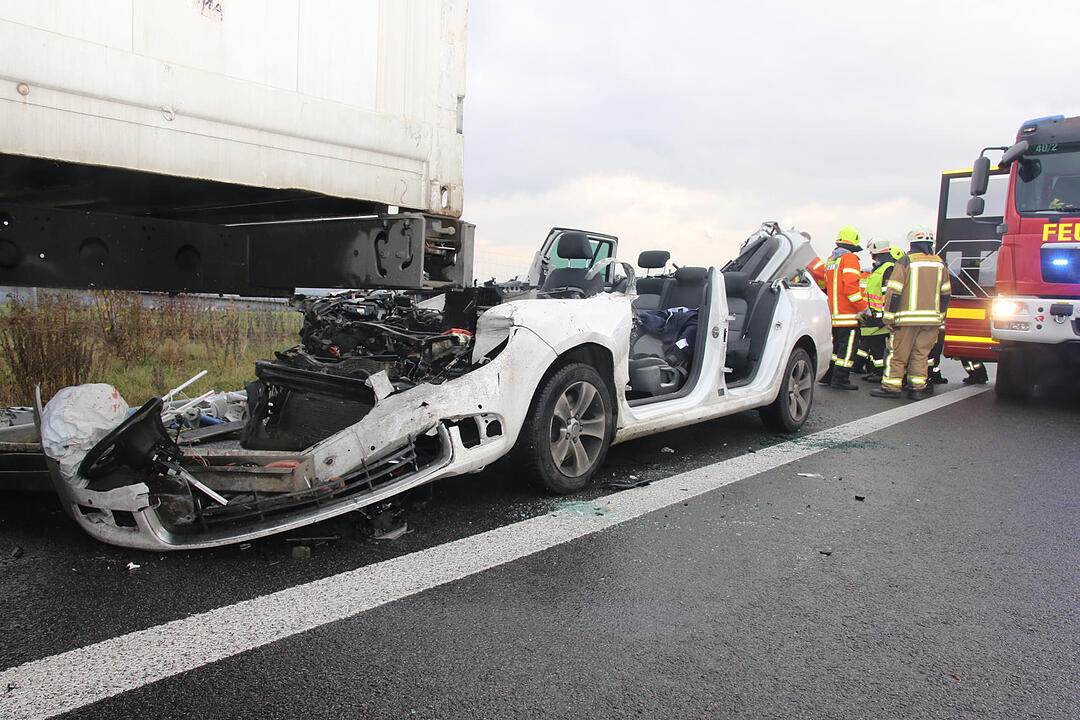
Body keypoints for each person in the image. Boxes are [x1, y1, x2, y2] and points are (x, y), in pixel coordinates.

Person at [871, 226, 951, 400]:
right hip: (931, 320)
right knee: (921, 354)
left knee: (898, 354)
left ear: (913, 243)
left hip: (906, 319)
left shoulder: (905, 261)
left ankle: (892, 388)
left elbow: (894, 291)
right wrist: (941, 316)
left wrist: (889, 317)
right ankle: (917, 389)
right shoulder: (939, 263)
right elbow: (946, 293)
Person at [821, 226, 866, 390]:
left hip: (833, 316)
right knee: (847, 351)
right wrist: (863, 308)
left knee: (834, 350)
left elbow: (827, 286)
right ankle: (840, 380)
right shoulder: (850, 259)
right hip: (848, 316)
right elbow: (851, 288)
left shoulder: (831, 260)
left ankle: (828, 376)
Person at [857, 239, 903, 383]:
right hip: (873, 313)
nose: (870, 254)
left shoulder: (888, 268)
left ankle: (880, 372)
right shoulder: (879, 268)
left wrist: (886, 315)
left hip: (880, 315)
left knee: (878, 346)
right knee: (872, 344)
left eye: (871, 252)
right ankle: (876, 371)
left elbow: (887, 293)